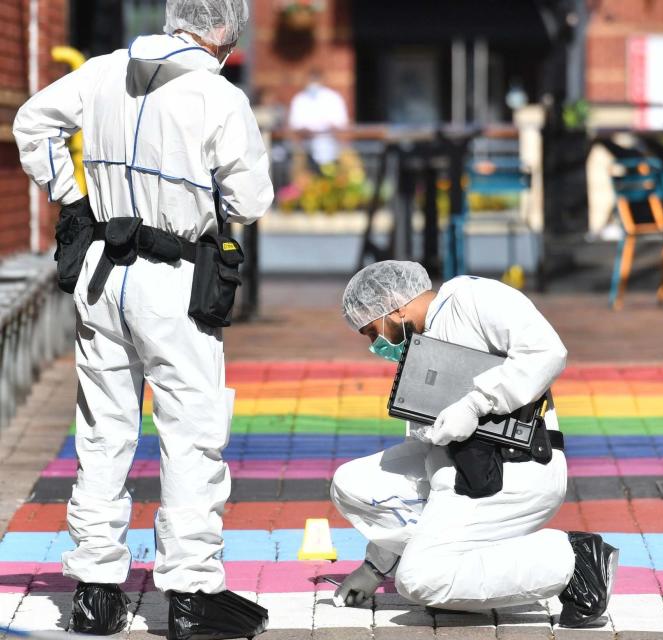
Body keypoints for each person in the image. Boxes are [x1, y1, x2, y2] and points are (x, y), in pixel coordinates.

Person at [13, 0, 272, 637]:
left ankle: (96, 590)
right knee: (191, 431)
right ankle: (189, 593)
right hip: (175, 276)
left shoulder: (102, 70)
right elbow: (250, 199)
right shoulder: (217, 95)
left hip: (102, 267)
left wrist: (71, 197)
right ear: (223, 37)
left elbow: (30, 122)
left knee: (103, 429)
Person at [334, 261, 618, 627]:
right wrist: (375, 567)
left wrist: (476, 402)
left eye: (373, 331)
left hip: (516, 469)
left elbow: (546, 351)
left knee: (419, 581)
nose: (375, 345)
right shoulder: (421, 351)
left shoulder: (471, 298)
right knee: (351, 484)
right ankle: (458, 571)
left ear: (396, 305)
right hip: (457, 471)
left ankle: (575, 562)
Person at [288, 68, 349, 170]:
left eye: (315, 79)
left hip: (332, 150)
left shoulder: (333, 98)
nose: (313, 84)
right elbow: (295, 125)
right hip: (307, 151)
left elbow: (341, 124)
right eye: (311, 80)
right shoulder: (300, 99)